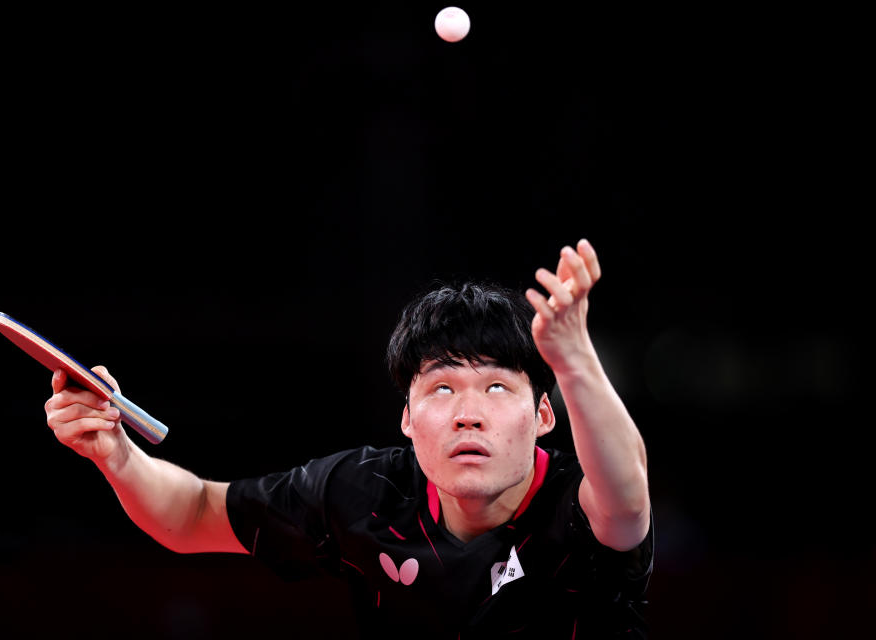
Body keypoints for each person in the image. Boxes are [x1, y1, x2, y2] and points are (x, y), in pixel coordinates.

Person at [44, 239, 652, 639]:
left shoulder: (578, 508)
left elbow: (626, 499)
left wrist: (573, 360)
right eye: (442, 389)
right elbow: (194, 510)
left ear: (544, 414)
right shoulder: (366, 495)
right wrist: (116, 454)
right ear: (407, 419)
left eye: (496, 388)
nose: (469, 414)